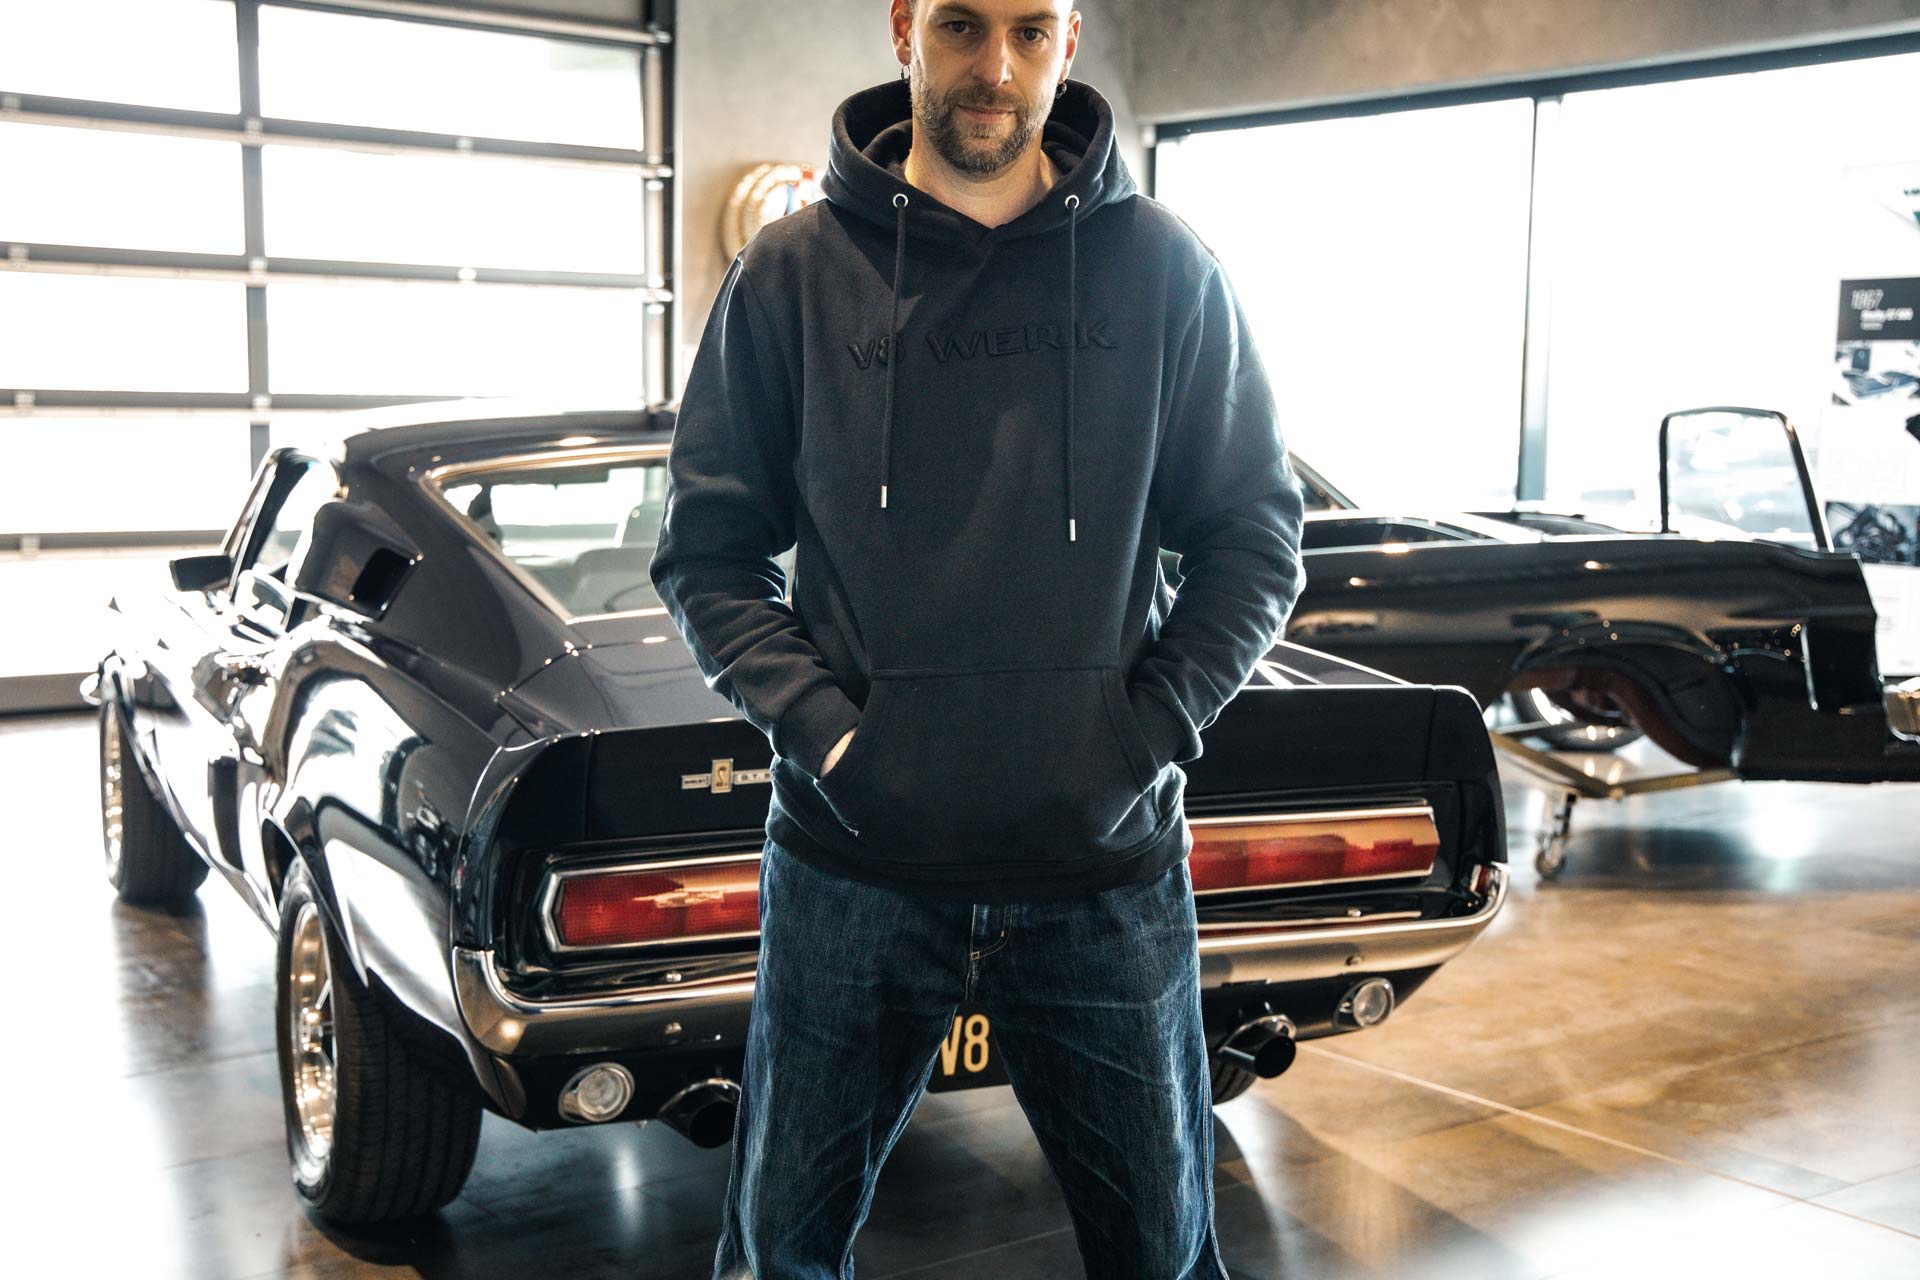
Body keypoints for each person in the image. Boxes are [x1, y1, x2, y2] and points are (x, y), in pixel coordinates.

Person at [648, 1, 1305, 1275]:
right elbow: (707, 554)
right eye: (960, 24)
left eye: (1029, 30)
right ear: (904, 27)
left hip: (1101, 871)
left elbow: (1255, 538)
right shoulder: (790, 275)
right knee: (780, 1254)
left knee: (1164, 1254)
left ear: (1070, 39)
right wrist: (836, 738)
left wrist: (1142, 736)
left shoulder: (1163, 271)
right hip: (853, 865)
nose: (994, 68)